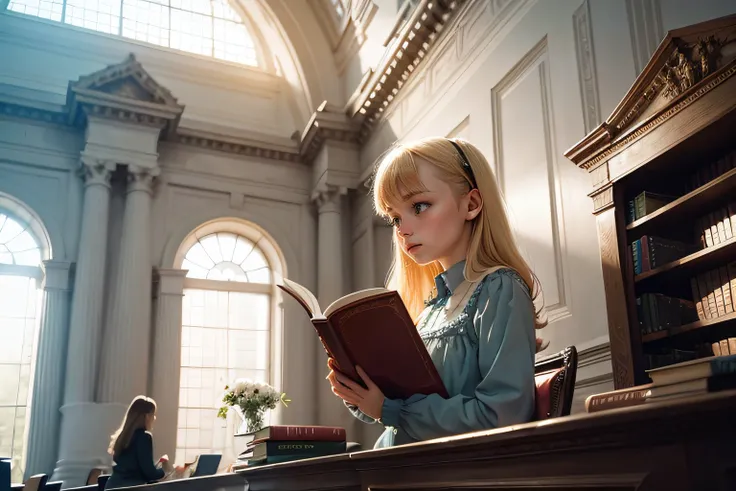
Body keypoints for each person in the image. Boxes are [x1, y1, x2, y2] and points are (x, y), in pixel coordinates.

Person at [327, 136, 547, 448]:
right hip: (397, 469)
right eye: (395, 217)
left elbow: (502, 415)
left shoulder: (500, 288)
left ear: (471, 204)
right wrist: (358, 389)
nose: (402, 228)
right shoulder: (428, 310)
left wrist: (390, 409)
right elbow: (400, 404)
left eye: (419, 206)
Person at [105, 396, 175, 489]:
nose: (154, 418)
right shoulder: (144, 437)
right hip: (131, 488)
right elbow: (150, 474)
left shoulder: (123, 436)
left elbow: (133, 466)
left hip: (112, 486)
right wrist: (164, 470)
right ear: (147, 416)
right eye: (153, 414)